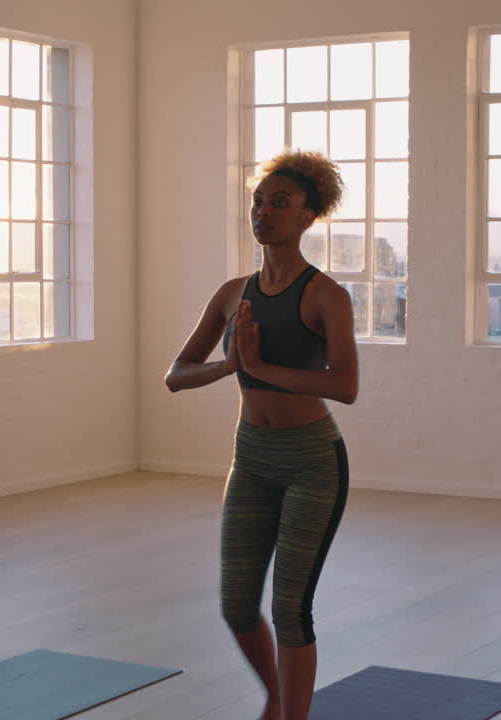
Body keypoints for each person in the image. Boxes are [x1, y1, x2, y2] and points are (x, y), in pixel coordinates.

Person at [165, 150, 358, 720]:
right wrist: (230, 366)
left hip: (312, 462)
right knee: (237, 606)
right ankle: (276, 695)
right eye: (258, 201)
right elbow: (176, 375)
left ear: (307, 217)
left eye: (280, 203)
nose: (264, 212)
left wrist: (257, 365)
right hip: (250, 458)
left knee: (291, 607)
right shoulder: (231, 293)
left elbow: (345, 385)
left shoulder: (327, 295)